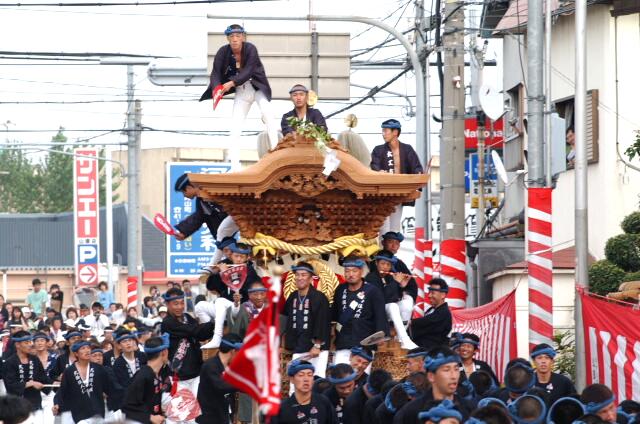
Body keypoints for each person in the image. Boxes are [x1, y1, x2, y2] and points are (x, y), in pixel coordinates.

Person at [200, 23, 279, 167]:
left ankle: (276, 154)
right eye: (231, 36)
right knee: (235, 127)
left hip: (257, 87)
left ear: (243, 37)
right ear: (227, 38)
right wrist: (217, 88)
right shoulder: (223, 52)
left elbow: (248, 71)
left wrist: (231, 83)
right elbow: (215, 72)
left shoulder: (250, 49)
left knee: (268, 114)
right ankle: (235, 165)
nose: (235, 39)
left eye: (238, 35)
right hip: (241, 91)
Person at [331, 257, 389, 364]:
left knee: (361, 372)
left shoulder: (373, 291)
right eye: (347, 271)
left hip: (365, 341)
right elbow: (335, 313)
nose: (350, 274)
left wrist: (381, 334)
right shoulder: (340, 289)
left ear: (361, 272)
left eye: (354, 271)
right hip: (343, 341)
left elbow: (380, 315)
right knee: (340, 371)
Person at [392, 346, 472, 424]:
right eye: (446, 370)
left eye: (456, 369)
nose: (454, 376)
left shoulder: (469, 408)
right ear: (431, 376)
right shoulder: (412, 411)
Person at [173, 173, 239, 266]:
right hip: (230, 223)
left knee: (222, 233)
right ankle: (222, 263)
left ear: (188, 187)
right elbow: (199, 217)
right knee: (223, 239)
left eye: (183, 192)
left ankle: (212, 266)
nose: (184, 195)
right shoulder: (201, 200)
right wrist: (184, 232)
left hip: (239, 214)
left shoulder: (214, 189)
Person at [160, 287, 214, 401]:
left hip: (196, 372)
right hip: (179, 376)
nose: (180, 307)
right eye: (175, 304)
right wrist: (213, 322)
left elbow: (201, 335)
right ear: (167, 304)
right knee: (183, 409)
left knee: (198, 407)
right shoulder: (167, 322)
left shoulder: (187, 317)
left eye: (182, 303)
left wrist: (216, 324)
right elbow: (194, 330)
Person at [370, 119, 423, 233]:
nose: (383, 134)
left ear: (395, 132)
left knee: (394, 229)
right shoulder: (378, 150)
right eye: (383, 131)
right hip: (383, 195)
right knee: (383, 228)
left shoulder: (407, 149)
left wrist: (418, 176)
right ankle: (383, 244)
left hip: (399, 194)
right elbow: (374, 166)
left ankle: (392, 244)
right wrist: (379, 172)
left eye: (386, 131)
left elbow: (416, 167)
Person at [283, 262, 331, 378]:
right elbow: (286, 318)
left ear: (310, 278)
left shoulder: (319, 297)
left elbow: (323, 322)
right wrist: (284, 343)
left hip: (315, 349)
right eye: (297, 275)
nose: (300, 278)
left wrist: (317, 345)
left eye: (304, 275)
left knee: (316, 379)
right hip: (298, 346)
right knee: (297, 381)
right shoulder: (293, 296)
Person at [365, 250, 418, 349]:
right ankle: (405, 339)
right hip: (376, 312)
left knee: (407, 303)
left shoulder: (390, 277)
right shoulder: (371, 278)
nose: (385, 267)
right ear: (376, 263)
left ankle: (400, 337)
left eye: (388, 264)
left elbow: (394, 297)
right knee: (393, 306)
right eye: (382, 263)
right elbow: (382, 299)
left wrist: (401, 286)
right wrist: (396, 282)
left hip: (389, 310)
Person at [53, 340, 111, 423]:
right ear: (76, 353)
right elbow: (62, 390)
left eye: (88, 348)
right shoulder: (69, 371)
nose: (87, 350)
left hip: (97, 410)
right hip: (79, 412)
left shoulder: (99, 369)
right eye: (83, 348)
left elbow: (111, 387)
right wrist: (57, 403)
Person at [121, 335, 171, 424]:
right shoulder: (143, 376)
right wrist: (150, 417)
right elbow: (127, 406)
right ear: (164, 352)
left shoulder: (158, 373)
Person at [3, 330, 52, 420]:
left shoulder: (35, 360)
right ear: (17, 345)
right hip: (17, 406)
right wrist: (30, 383)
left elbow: (43, 378)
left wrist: (54, 381)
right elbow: (10, 385)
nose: (30, 345)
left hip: (35, 403)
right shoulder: (9, 363)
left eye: (30, 342)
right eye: (26, 342)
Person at [196, 333, 243, 423]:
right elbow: (221, 386)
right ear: (233, 351)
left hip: (223, 416)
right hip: (209, 419)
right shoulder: (210, 366)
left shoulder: (229, 368)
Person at [277, 360, 338, 424]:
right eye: (301, 375)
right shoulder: (283, 408)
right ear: (292, 379)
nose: (306, 379)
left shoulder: (323, 402)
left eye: (310, 375)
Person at [410, 278, 452, 351]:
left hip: (433, 353)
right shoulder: (431, 310)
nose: (429, 295)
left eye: (432, 293)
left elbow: (424, 323)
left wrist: (409, 323)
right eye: (429, 292)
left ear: (443, 295)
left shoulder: (443, 313)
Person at [378, 231, 418, 304]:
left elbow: (412, 285)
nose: (393, 246)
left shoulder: (399, 263)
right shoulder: (374, 261)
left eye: (396, 243)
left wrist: (405, 291)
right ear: (383, 243)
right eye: (390, 242)